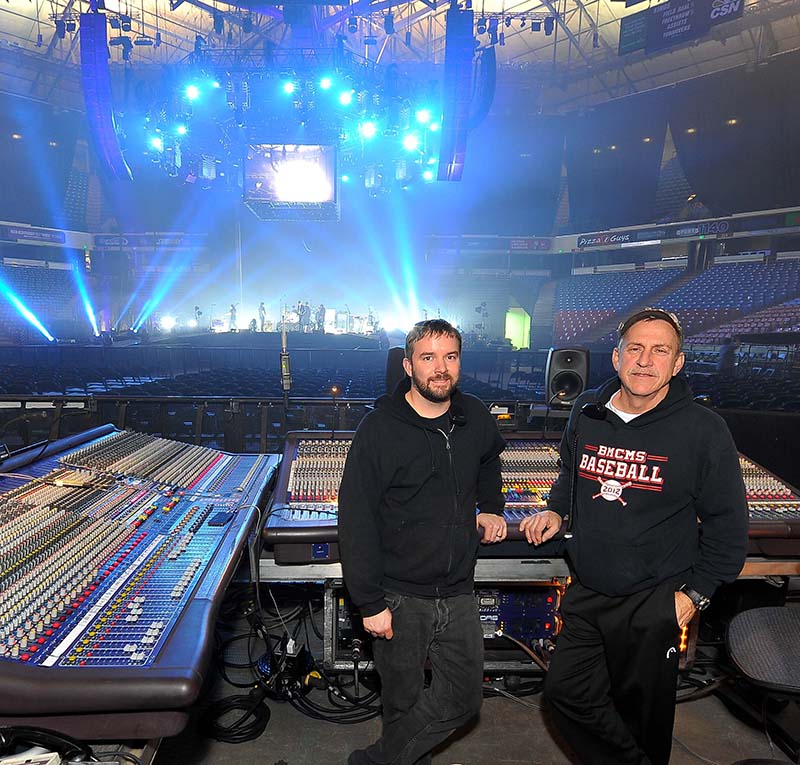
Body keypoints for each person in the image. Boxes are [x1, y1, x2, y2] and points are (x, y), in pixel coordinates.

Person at [520, 307, 748, 765]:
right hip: (588, 590)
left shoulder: (703, 430)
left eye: (659, 351)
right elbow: (569, 472)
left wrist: (694, 597)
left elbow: (729, 524)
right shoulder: (587, 412)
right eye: (636, 349)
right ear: (617, 357)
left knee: (642, 719)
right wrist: (556, 509)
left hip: (654, 599)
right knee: (566, 695)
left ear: (677, 363)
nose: (645, 361)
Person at [338, 318, 508, 765]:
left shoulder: (475, 415)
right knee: (402, 705)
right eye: (428, 357)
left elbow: (491, 458)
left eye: (450, 356)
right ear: (408, 365)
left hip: (458, 592)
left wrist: (491, 504)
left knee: (463, 700)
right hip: (398, 596)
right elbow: (355, 519)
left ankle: (375, 762)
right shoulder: (378, 430)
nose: (440, 368)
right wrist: (369, 603)